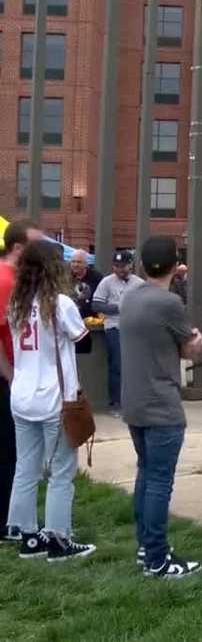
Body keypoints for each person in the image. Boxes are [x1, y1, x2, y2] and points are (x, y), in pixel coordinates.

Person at [121, 236, 202, 578]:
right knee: (159, 481)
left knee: (146, 474)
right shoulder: (169, 303)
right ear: (175, 265)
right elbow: (190, 349)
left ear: (141, 264)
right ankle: (157, 558)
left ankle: (146, 547)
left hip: (135, 403)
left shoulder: (131, 297)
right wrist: (197, 341)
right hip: (162, 405)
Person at [6, 240, 95, 560]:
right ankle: (58, 539)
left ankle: (26, 535)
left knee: (25, 468)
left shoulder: (15, 302)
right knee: (61, 471)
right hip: (54, 398)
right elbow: (84, 343)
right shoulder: (60, 303)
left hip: (21, 395)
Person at [0, 220, 44, 543]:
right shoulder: (5, 280)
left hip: (14, 374)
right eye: (35, 245)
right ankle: (7, 523)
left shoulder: (14, 278)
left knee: (15, 452)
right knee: (8, 452)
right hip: (6, 376)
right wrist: (10, 373)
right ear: (18, 248)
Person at [92, 250, 145, 415]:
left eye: (123, 266)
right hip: (114, 327)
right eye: (117, 266)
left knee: (135, 366)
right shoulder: (107, 282)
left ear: (131, 265)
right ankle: (116, 403)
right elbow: (97, 305)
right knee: (117, 365)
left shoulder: (139, 283)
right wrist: (117, 308)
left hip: (135, 329)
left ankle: (134, 401)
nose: (120, 269)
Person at [67, 250, 102, 355]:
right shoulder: (64, 277)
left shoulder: (97, 278)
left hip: (90, 326)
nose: (75, 265)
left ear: (86, 264)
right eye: (73, 262)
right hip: (69, 324)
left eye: (79, 262)